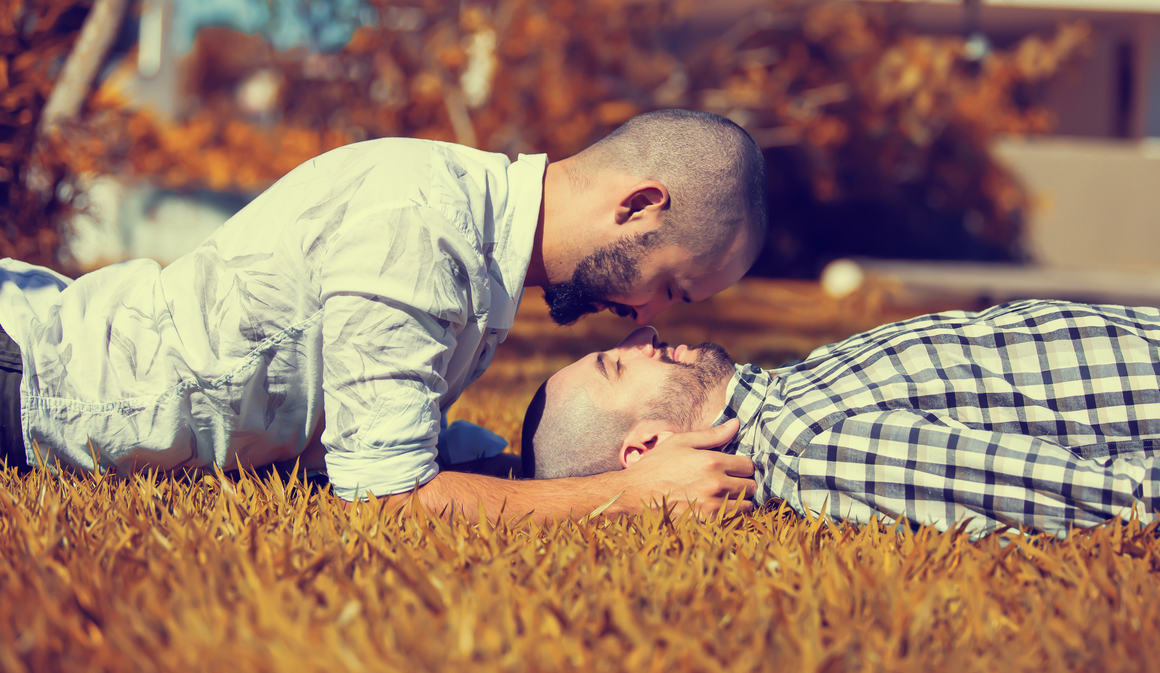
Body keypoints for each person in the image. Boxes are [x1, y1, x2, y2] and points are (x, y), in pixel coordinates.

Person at [0, 109, 767, 520]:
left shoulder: (480, 241)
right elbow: (386, 497)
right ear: (639, 206)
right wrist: (632, 495)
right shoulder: (425, 228)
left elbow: (364, 444)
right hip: (23, 380)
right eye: (673, 287)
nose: (647, 318)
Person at [521, 299, 1160, 535]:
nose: (642, 335)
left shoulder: (794, 389)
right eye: (617, 365)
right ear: (647, 447)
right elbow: (1118, 499)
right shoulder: (812, 448)